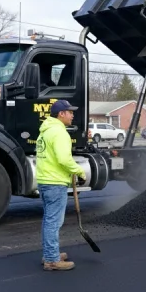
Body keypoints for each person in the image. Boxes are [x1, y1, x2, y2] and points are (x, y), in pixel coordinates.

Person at [36, 99, 87, 271]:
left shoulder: (45, 131)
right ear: (61, 114)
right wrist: (80, 171)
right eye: (70, 112)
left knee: (48, 220)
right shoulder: (59, 133)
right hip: (54, 182)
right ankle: (51, 259)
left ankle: (50, 253)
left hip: (45, 180)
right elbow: (64, 159)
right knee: (54, 221)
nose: (73, 115)